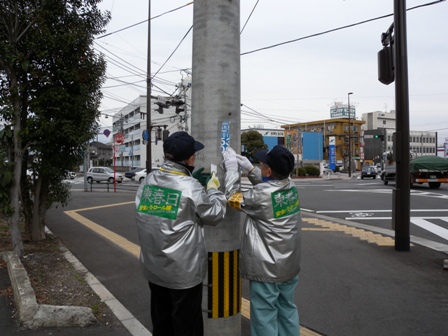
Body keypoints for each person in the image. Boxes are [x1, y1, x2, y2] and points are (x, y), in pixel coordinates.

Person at [135, 131, 227, 336]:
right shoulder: (190, 187)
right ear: (190, 158)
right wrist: (213, 190)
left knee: (161, 321)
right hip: (183, 272)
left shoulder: (148, 181)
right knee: (187, 325)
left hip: (154, 267)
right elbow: (215, 215)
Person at [222, 145, 302, 336]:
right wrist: (250, 170)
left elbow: (232, 198)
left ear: (269, 170)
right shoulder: (290, 187)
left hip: (266, 269)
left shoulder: (261, 195)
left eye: (262, 163)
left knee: (264, 314)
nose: (260, 164)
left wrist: (232, 169)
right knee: (286, 309)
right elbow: (268, 188)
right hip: (289, 265)